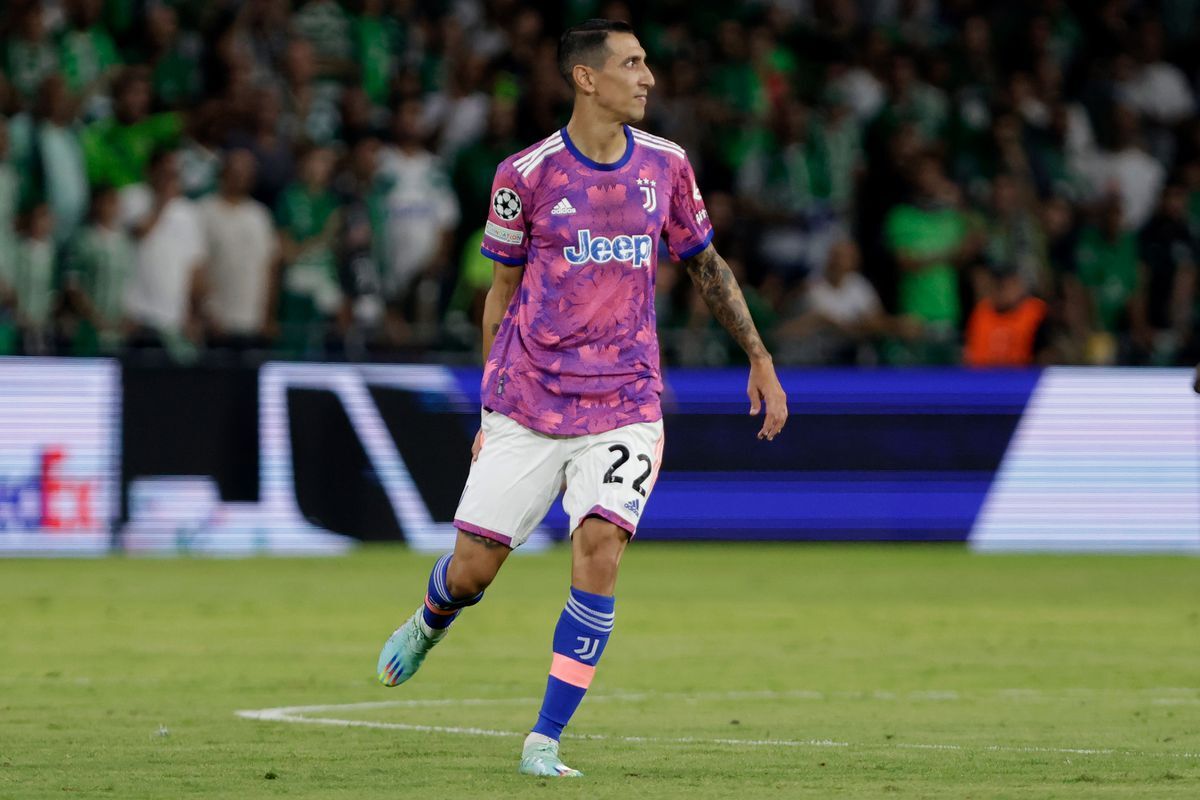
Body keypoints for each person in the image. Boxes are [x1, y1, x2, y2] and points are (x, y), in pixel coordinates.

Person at [375, 19, 788, 779]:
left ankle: (545, 739)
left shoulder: (666, 166)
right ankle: (431, 620)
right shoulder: (524, 175)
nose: (648, 77)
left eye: (647, 62)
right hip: (530, 402)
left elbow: (707, 265)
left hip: (627, 402)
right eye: (632, 63)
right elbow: (500, 295)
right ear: (586, 78)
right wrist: (489, 408)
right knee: (472, 572)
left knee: (599, 552)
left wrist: (759, 358)